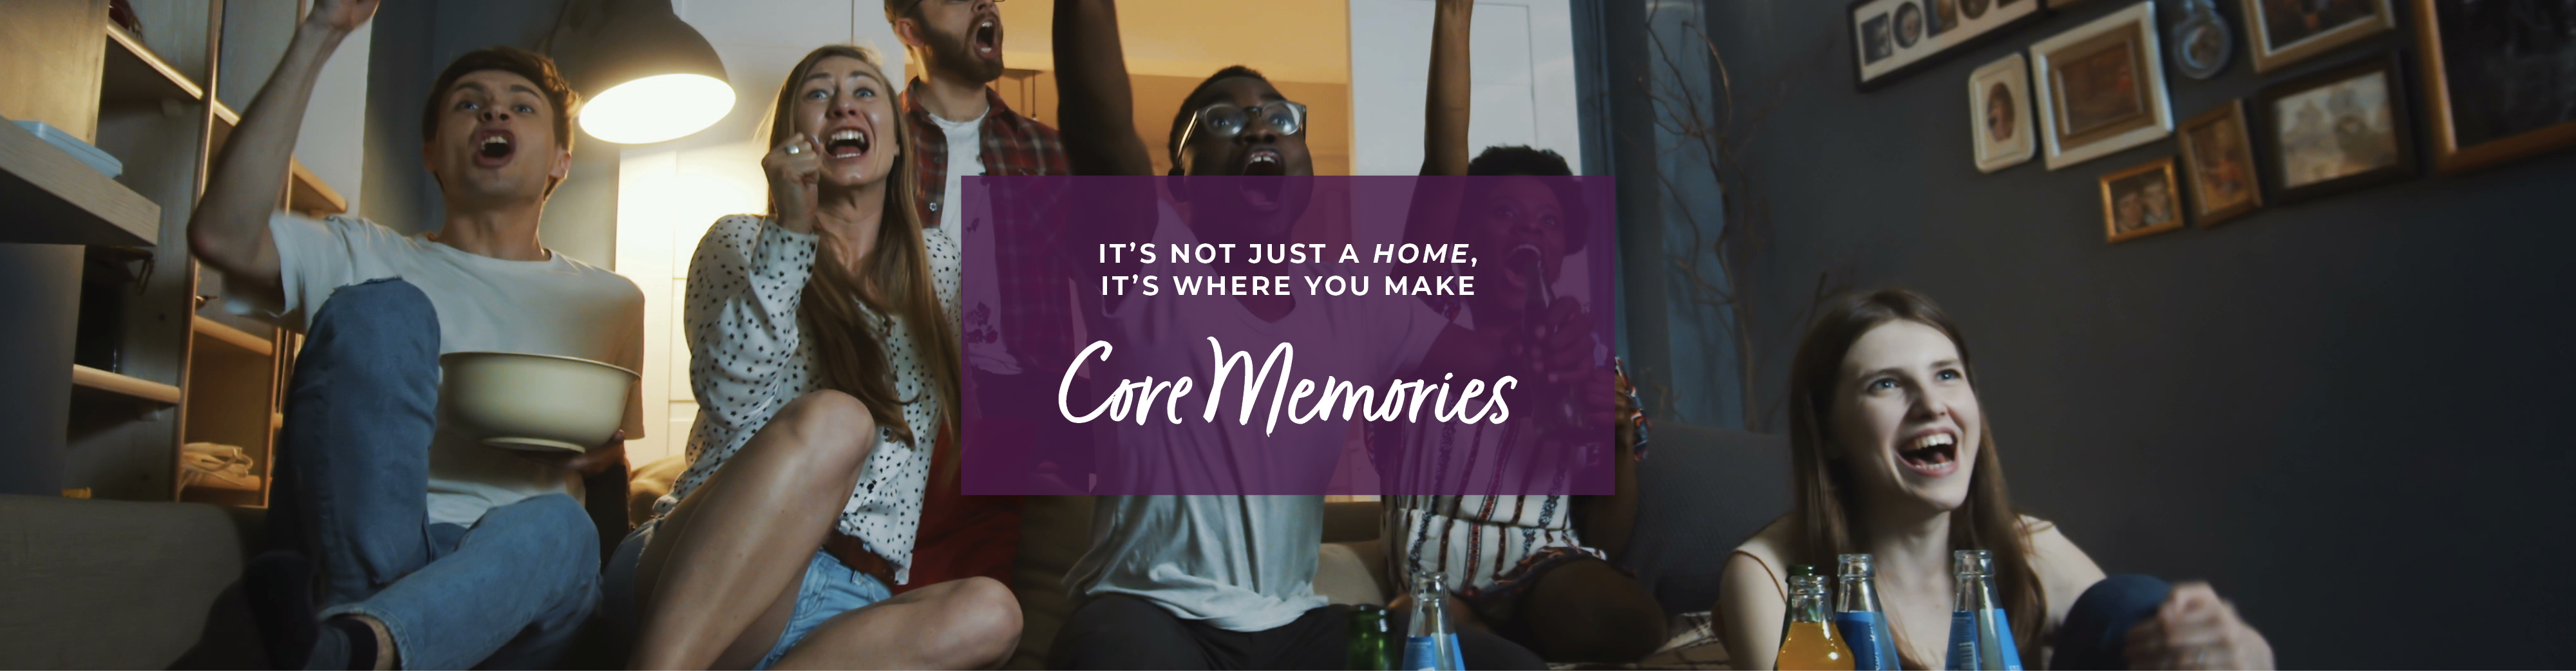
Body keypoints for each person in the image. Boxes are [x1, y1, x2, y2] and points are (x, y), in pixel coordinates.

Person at [1037, 0, 1572, 668]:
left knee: (1506, 667)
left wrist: (1550, 350)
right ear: (1180, 180)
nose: (1258, 123)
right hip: (1147, 612)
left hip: (1292, 628)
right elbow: (1097, 125)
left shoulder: (1353, 305)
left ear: (1306, 167)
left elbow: (1496, 336)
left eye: (1281, 117)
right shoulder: (1148, 259)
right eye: (1223, 119)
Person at [190, 1, 641, 668]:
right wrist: (321, 34)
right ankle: (360, 642)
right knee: (384, 311)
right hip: (378, 553)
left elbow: (607, 463)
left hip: (521, 586)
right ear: (430, 150)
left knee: (560, 524)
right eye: (468, 105)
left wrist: (604, 464)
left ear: (561, 161)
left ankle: (353, 641)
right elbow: (221, 235)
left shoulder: (610, 300)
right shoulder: (364, 254)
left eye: (521, 106)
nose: (494, 114)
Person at [605, 45, 1019, 670]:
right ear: (791, 139)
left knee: (995, 611)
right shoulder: (740, 239)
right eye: (820, 93)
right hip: (703, 568)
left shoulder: (944, 267)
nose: (844, 102)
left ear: (899, 142)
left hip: (848, 604)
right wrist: (793, 232)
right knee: (838, 419)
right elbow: (729, 402)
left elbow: (1029, 388)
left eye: (864, 91)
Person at [1714, 288, 2275, 671]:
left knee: (2130, 601)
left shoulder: (2025, 545)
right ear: (1829, 431)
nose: (1931, 404)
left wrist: (2236, 650)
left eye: (1948, 375)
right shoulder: (1773, 579)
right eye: (1886, 384)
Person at [1376, 5, 1662, 661]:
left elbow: (1607, 538)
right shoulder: (1424, 317)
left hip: (1544, 565)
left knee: (1628, 619)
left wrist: (1616, 439)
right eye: (1503, 213)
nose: (1530, 231)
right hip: (1430, 575)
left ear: (1565, 248)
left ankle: (1507, 642)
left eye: (1549, 222)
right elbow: (1442, 166)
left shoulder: (1591, 357)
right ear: (1465, 235)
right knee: (1416, 632)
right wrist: (1454, 15)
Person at [882, 0, 1074, 592]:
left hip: (1018, 424)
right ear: (910, 29)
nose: (984, 3)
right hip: (895, 414)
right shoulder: (876, 142)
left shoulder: (1052, 155)